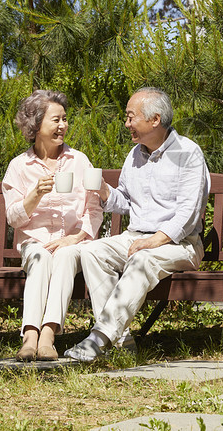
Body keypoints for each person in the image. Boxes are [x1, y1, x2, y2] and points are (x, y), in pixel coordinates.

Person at [57, 87, 209, 362]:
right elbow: (126, 202)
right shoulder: (134, 155)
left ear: (155, 120)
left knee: (142, 260)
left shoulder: (188, 153)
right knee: (93, 251)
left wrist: (154, 241)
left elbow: (189, 213)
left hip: (180, 244)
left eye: (131, 117)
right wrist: (104, 191)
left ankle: (98, 339)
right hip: (136, 236)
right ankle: (122, 341)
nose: (126, 124)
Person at [2, 90, 102, 362]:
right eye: (56, 120)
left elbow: (94, 208)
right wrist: (35, 195)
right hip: (36, 243)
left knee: (66, 255)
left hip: (73, 242)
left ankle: (47, 335)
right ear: (36, 125)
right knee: (40, 255)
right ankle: (30, 336)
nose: (63, 126)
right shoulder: (19, 167)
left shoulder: (79, 161)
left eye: (65, 119)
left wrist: (77, 237)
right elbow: (13, 218)